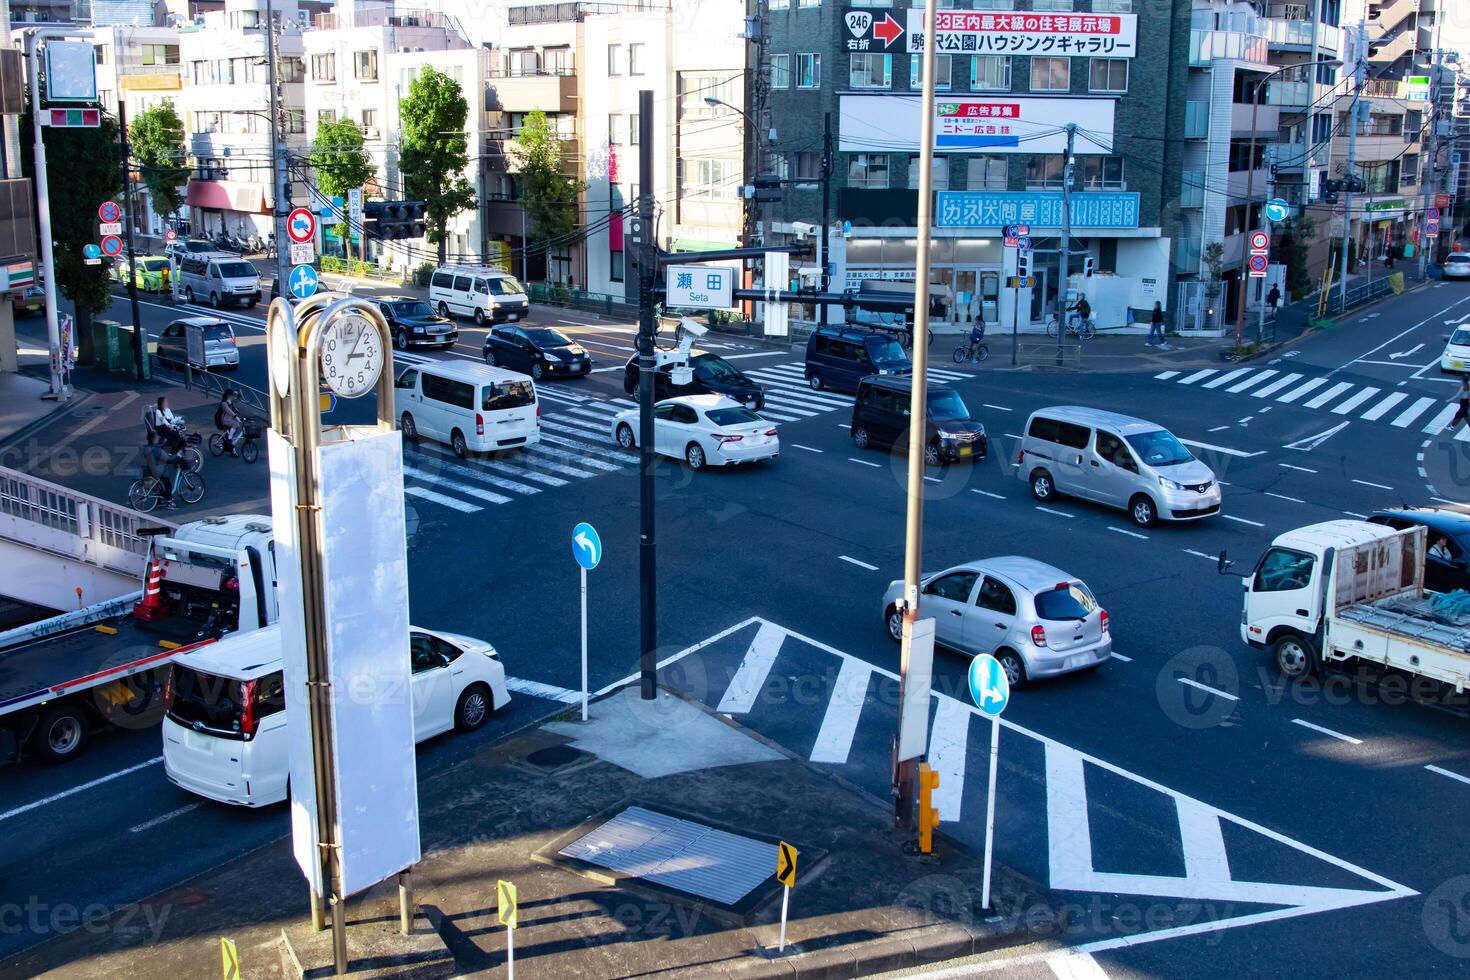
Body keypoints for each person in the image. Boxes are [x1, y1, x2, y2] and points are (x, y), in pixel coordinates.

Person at [142, 430, 180, 509]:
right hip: (159, 471)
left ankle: (159, 500)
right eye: (157, 437)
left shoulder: (146, 448)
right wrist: (177, 456)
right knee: (167, 483)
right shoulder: (157, 450)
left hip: (150, 470)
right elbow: (168, 459)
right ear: (154, 439)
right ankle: (170, 502)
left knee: (158, 485)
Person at [215, 389, 243, 456]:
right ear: (229, 396)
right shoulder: (224, 403)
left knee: (235, 428)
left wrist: (239, 394)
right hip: (224, 420)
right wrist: (235, 417)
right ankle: (229, 438)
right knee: (236, 424)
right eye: (233, 395)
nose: (234, 396)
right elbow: (228, 411)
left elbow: (238, 401)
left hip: (230, 420)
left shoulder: (231, 403)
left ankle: (231, 447)